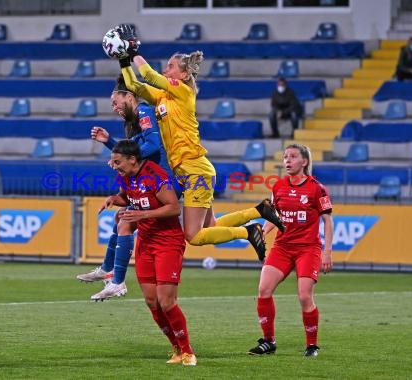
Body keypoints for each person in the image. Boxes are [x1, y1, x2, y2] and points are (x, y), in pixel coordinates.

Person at [117, 24, 286, 261]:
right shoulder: (165, 97)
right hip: (191, 170)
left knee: (194, 236)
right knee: (211, 225)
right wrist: (124, 60)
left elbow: (148, 75)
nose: (166, 69)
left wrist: (133, 52)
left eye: (171, 66)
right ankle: (259, 211)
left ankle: (248, 231)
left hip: (194, 170)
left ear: (184, 75)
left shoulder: (183, 91)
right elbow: (134, 85)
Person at [77, 75, 175, 301]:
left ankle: (116, 280)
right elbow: (133, 153)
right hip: (150, 181)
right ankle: (109, 271)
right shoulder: (134, 121)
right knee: (121, 218)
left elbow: (152, 145)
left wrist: (120, 155)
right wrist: (111, 143)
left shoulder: (143, 112)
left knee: (126, 220)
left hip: (159, 181)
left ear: (129, 96)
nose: (114, 107)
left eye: (115, 101)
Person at [100, 139, 197, 366]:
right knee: (152, 301)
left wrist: (141, 216)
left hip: (168, 242)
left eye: (117, 161)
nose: (114, 166)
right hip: (145, 241)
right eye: (113, 162)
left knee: (167, 301)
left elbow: (174, 207)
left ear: (133, 159)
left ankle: (188, 351)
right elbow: (130, 197)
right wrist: (116, 199)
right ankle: (176, 348)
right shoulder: (124, 176)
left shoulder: (155, 174)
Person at [248, 143, 334, 358]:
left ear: (304, 162)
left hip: (308, 249)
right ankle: (269, 341)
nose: (287, 160)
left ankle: (312, 345)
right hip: (283, 247)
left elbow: (328, 220)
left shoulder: (317, 188)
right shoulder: (278, 186)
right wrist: (264, 232)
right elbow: (275, 217)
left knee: (305, 297)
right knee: (263, 290)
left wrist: (327, 252)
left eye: (293, 157)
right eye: (285, 156)